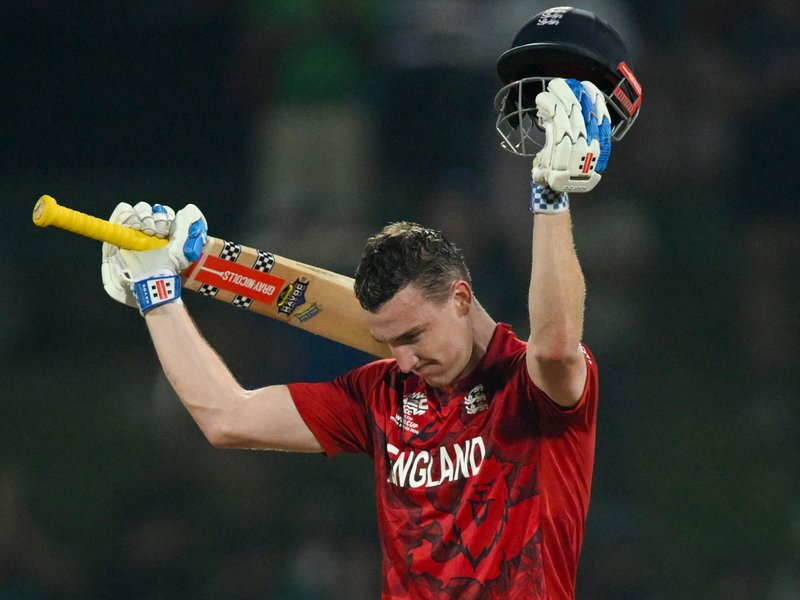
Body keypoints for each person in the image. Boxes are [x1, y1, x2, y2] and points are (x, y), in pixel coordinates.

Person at [100, 7, 640, 597]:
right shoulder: (383, 393)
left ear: (462, 298)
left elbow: (556, 346)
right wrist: (161, 290)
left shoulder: (531, 388)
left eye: (413, 336)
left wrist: (550, 196)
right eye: (388, 341)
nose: (401, 359)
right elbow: (227, 418)